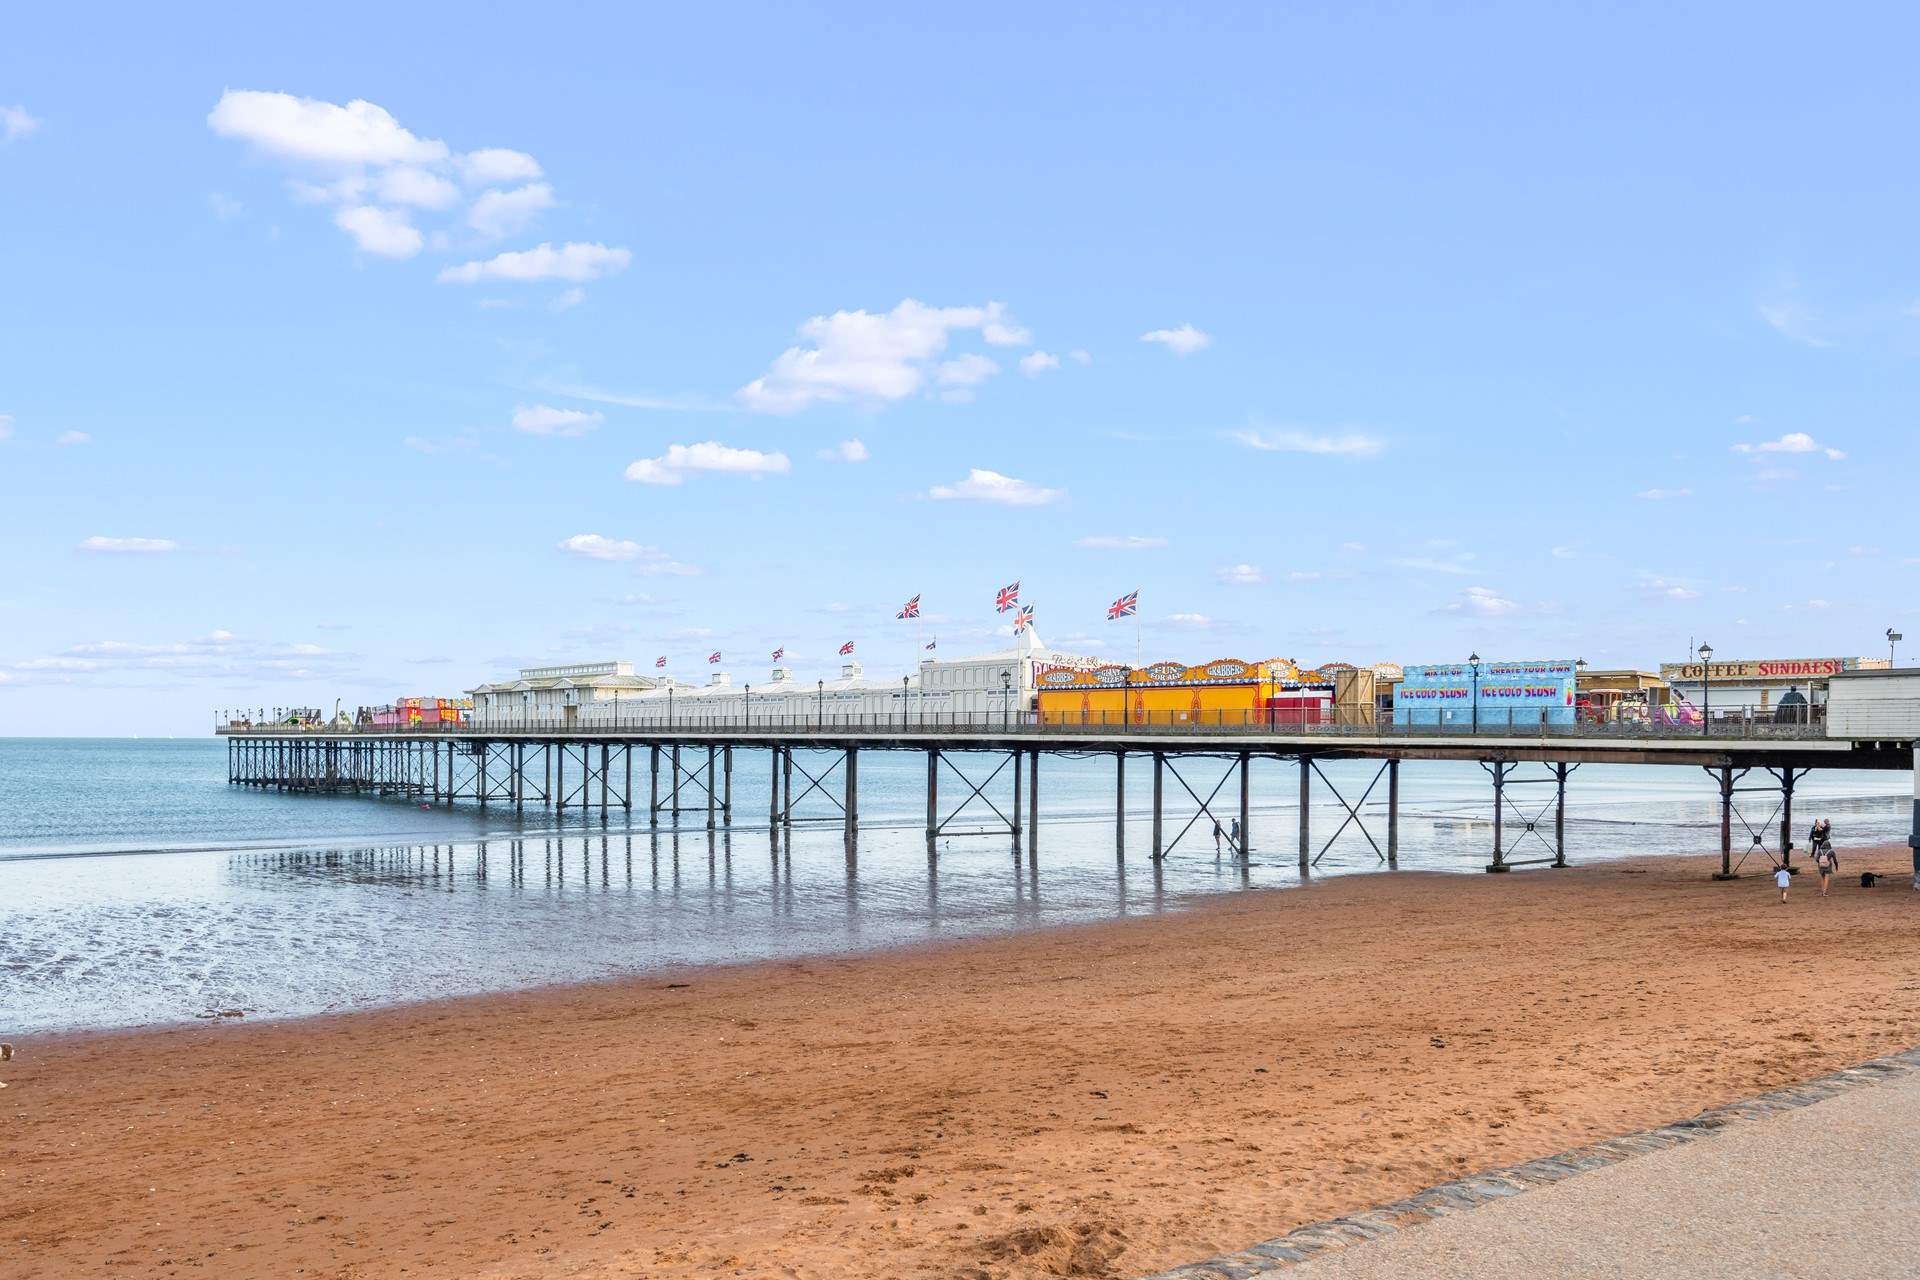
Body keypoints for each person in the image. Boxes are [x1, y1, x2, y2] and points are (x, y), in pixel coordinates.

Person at [1810, 819, 1838, 897]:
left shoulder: (1819, 851)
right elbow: (1835, 860)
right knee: (1826, 878)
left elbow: (1816, 859)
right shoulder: (1831, 851)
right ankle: (1824, 892)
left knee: (1822, 878)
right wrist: (1836, 867)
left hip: (1821, 866)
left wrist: (1819, 863)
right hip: (1828, 866)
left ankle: (1823, 890)